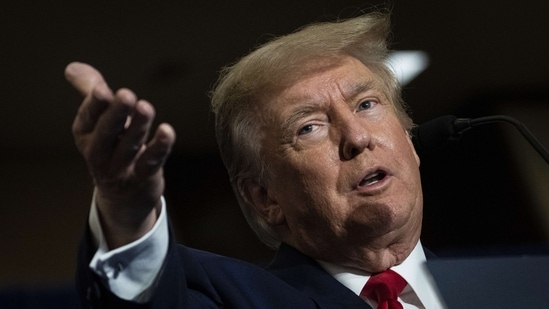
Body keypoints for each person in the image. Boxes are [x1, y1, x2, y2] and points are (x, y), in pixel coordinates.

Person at [67, 12, 446, 308]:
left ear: (409, 142)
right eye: (309, 127)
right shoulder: (233, 299)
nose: (357, 138)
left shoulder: (499, 284)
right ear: (265, 197)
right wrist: (124, 214)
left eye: (366, 105)